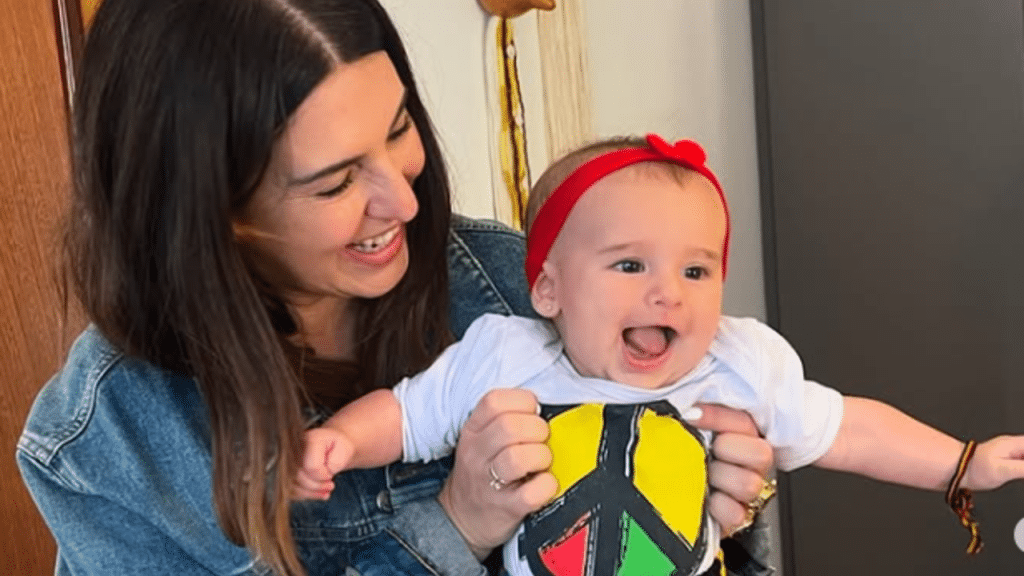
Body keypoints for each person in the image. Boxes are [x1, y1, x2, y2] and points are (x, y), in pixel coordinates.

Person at [14, 1, 775, 575]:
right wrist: (453, 525)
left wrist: (730, 501)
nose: (406, 204)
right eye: (338, 181)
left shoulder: (515, 282)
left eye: (400, 126)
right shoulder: (107, 443)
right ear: (208, 214)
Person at [295, 134, 1024, 576]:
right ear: (547, 288)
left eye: (696, 271)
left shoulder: (735, 366)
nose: (667, 295)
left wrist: (963, 463)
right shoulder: (504, 357)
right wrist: (336, 442)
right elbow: (405, 414)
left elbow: (850, 430)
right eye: (630, 266)